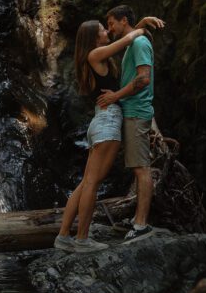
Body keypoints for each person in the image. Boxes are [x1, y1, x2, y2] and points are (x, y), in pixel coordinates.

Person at [54, 14, 164, 253]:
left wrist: (140, 25)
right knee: (92, 183)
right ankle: (82, 239)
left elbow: (122, 43)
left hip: (101, 121)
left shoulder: (96, 58)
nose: (108, 31)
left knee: (86, 183)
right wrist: (141, 28)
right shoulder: (94, 54)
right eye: (104, 29)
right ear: (94, 37)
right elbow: (126, 41)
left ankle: (63, 236)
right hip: (108, 121)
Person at [97, 5, 156, 242]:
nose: (110, 29)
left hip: (136, 112)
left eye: (111, 23)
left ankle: (141, 224)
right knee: (137, 167)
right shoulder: (134, 42)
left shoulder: (140, 44)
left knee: (142, 168)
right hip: (132, 111)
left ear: (123, 21)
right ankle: (137, 220)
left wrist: (115, 96)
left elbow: (143, 79)